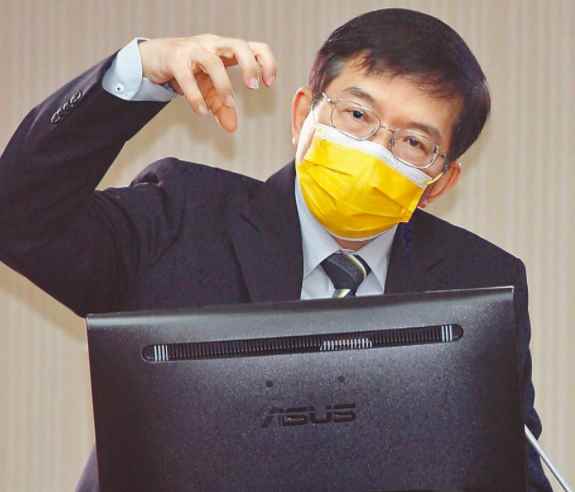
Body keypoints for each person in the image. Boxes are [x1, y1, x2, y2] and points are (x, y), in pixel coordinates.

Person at [0, 7, 551, 491]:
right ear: (302, 115)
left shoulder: (479, 279)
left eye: (412, 142)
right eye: (357, 115)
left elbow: (509, 471)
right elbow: (19, 219)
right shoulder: (181, 215)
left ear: (439, 183)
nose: (374, 151)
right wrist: (136, 73)